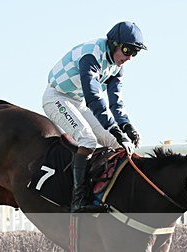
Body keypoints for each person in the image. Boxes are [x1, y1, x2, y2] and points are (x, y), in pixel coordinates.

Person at [42, 21, 145, 213]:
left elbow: (116, 102)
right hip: (57, 97)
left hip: (78, 102)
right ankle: (78, 200)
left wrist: (127, 127)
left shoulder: (117, 66)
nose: (130, 57)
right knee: (87, 139)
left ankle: (108, 193)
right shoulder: (92, 55)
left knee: (117, 143)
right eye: (127, 50)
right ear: (114, 44)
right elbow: (94, 98)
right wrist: (115, 128)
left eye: (135, 52)